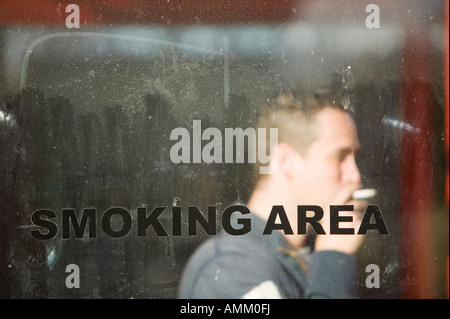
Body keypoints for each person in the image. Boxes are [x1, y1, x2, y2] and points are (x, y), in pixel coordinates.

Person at [178, 90, 367, 299]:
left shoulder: (301, 256)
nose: (355, 175)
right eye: (340, 157)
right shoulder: (229, 269)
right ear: (287, 162)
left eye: (355, 158)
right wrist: (334, 261)